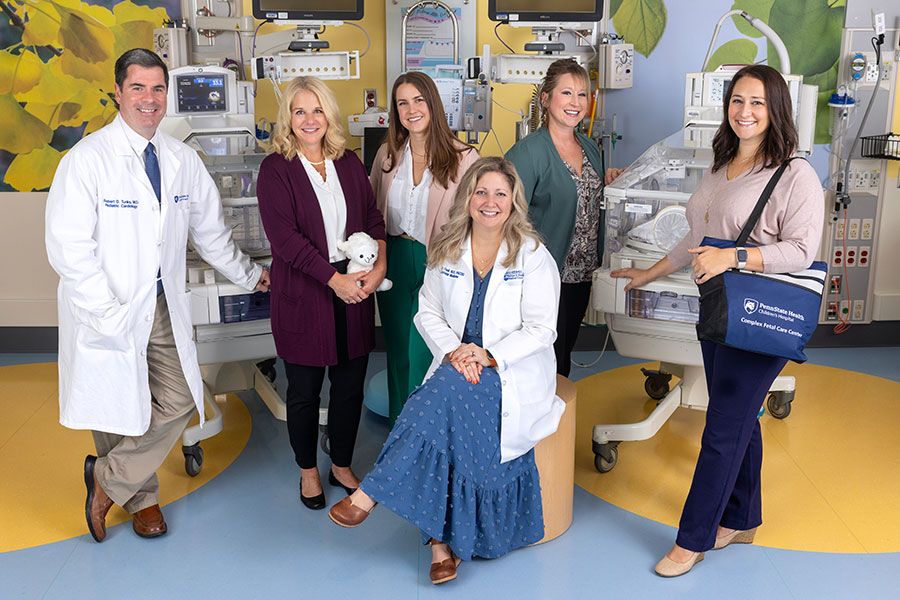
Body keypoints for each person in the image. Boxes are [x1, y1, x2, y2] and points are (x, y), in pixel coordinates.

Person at [44, 48, 269, 542]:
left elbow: (210, 234)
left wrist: (251, 276)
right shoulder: (86, 160)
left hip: (161, 301)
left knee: (182, 397)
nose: (149, 99)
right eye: (138, 88)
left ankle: (108, 480)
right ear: (118, 93)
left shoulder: (181, 160)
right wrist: (105, 311)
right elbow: (68, 247)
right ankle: (142, 500)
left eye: (157, 89)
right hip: (104, 303)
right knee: (114, 405)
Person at [610, 64, 824, 576]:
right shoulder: (721, 164)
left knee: (722, 426)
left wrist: (735, 259)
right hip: (722, 310)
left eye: (757, 102)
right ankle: (744, 516)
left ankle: (693, 539)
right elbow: (698, 237)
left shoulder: (796, 173)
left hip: (762, 312)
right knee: (739, 417)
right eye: (737, 101)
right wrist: (650, 271)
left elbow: (801, 249)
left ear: (776, 111)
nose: (745, 112)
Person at [328, 157, 563, 585]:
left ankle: (373, 494)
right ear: (468, 198)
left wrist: (487, 355)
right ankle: (439, 545)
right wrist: (457, 351)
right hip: (458, 362)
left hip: (507, 368)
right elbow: (427, 311)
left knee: (433, 404)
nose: (490, 202)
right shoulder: (448, 247)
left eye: (500, 194)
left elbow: (542, 330)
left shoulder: (532, 255)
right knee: (442, 404)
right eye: (481, 192)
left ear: (514, 202)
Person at [256, 76, 387, 510]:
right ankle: (308, 470)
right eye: (299, 111)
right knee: (305, 390)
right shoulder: (276, 169)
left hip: (354, 282)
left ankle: (342, 463)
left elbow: (371, 218)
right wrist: (336, 282)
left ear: (329, 116)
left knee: (351, 385)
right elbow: (285, 241)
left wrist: (373, 270)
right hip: (306, 288)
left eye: (317, 111)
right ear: (288, 120)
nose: (309, 120)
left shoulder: (348, 162)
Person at [369, 71, 479, 425]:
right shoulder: (387, 157)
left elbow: (475, 223)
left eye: (418, 100)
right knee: (398, 351)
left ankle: (424, 431)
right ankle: (399, 432)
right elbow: (372, 212)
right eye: (402, 102)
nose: (411, 109)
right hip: (394, 261)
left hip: (438, 262)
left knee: (423, 352)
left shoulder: (464, 159)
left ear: (433, 104)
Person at [505, 58, 622, 378]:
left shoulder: (589, 147)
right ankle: (542, 424)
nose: (576, 103)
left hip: (581, 274)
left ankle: (557, 420)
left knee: (564, 351)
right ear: (545, 98)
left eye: (582, 95)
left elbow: (587, 197)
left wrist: (608, 180)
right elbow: (508, 218)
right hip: (544, 275)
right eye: (567, 93)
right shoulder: (527, 153)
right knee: (545, 358)